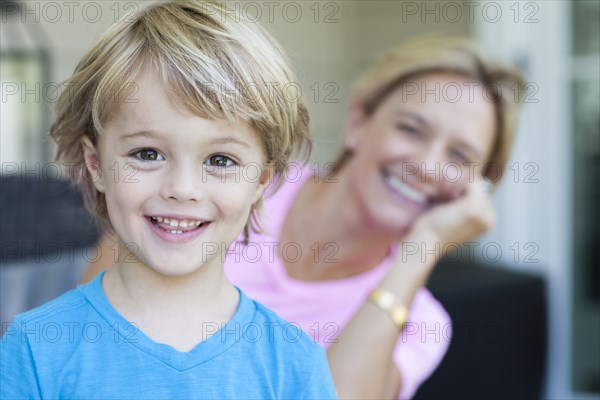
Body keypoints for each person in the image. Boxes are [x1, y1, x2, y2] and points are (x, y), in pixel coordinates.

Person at [82, 35, 526, 399]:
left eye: (459, 156)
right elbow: (92, 334)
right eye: (411, 129)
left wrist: (420, 250)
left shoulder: (420, 322)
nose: (428, 165)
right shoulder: (239, 185)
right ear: (358, 122)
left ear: (479, 187)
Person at [0, 1, 338, 399]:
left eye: (220, 160)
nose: (183, 188)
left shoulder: (293, 363)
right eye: (148, 154)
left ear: (261, 180)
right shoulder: (36, 347)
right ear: (96, 164)